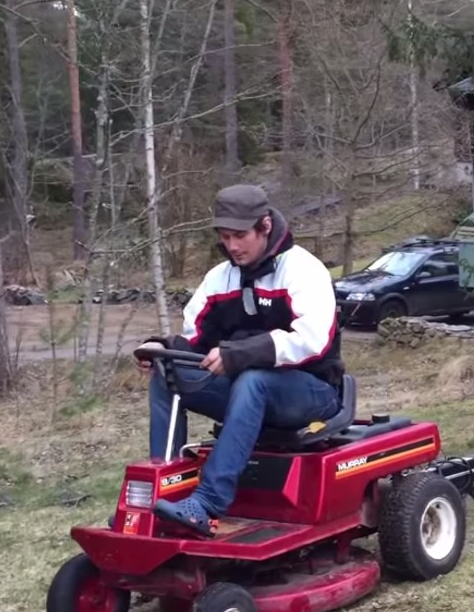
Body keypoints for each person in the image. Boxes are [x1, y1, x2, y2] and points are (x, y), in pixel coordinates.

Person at [135, 183, 343, 534]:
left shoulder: (304, 270)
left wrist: (239, 355)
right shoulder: (219, 278)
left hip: (313, 392)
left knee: (253, 380)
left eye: (240, 235)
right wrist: (163, 348)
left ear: (264, 226)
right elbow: (195, 340)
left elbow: (313, 341)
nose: (232, 246)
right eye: (225, 236)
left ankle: (207, 503)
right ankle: (165, 494)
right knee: (167, 372)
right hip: (246, 391)